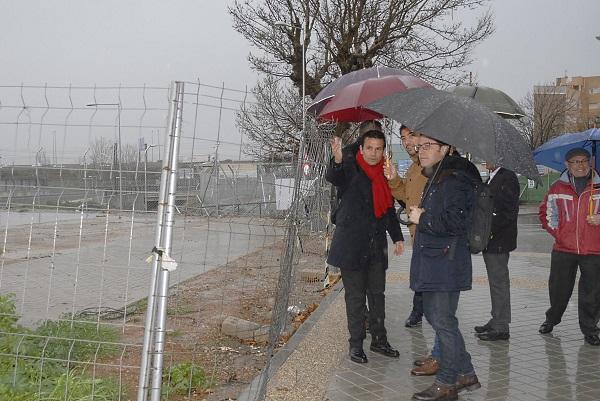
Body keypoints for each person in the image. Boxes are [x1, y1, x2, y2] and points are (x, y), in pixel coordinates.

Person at [409, 134, 480, 401]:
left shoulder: (453, 180)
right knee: (440, 319)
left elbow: (456, 222)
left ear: (445, 149)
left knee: (443, 322)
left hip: (445, 264)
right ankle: (465, 372)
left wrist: (423, 218)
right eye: (420, 146)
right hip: (436, 261)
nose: (421, 151)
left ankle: (448, 382)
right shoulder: (437, 177)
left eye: (428, 146)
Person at [326, 129, 405, 364]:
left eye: (378, 149)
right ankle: (356, 344)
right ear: (361, 149)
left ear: (383, 151)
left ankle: (379, 340)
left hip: (376, 246)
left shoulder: (384, 175)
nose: (373, 153)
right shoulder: (351, 168)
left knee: (378, 295)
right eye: (369, 148)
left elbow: (389, 208)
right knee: (356, 298)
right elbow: (335, 177)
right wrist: (338, 158)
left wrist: (397, 237)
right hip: (351, 245)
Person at [385, 126, 441, 377]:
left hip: (434, 243)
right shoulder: (416, 165)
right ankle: (441, 355)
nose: (408, 142)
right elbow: (406, 196)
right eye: (404, 138)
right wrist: (394, 178)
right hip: (420, 239)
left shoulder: (435, 166)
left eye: (412, 136)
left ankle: (448, 361)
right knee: (435, 305)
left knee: (439, 308)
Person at [538, 147, 600, 346]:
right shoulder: (557, 188)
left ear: (590, 162)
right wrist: (560, 234)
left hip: (594, 250)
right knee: (558, 290)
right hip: (564, 249)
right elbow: (546, 214)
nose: (580, 165)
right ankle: (552, 318)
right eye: (575, 162)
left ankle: (590, 328)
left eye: (584, 161)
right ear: (567, 165)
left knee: (592, 292)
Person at [474, 162, 520, 341]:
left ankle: (501, 326)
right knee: (496, 282)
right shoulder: (495, 176)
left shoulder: (507, 177)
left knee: (499, 282)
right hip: (492, 239)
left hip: (498, 239)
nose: (486, 160)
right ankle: (496, 319)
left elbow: (507, 212)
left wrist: (489, 229)